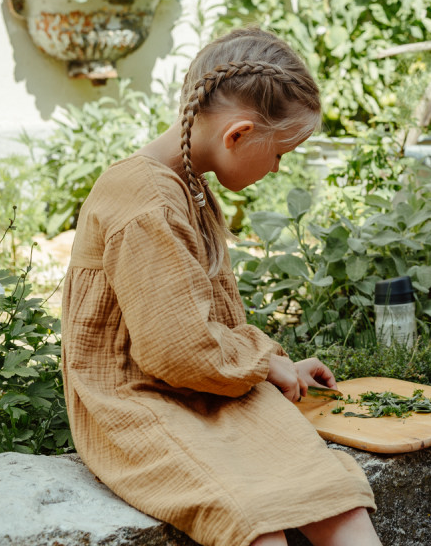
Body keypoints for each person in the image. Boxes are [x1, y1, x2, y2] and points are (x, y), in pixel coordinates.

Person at [61, 27, 380, 546]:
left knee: (329, 494)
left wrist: (272, 365)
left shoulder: (186, 182)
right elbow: (176, 350)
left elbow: (198, 328)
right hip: (140, 401)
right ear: (238, 134)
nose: (277, 168)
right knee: (253, 520)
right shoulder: (146, 202)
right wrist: (260, 362)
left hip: (204, 385)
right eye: (281, 154)